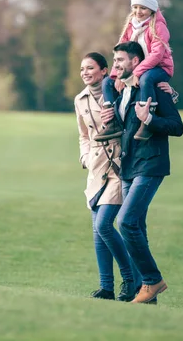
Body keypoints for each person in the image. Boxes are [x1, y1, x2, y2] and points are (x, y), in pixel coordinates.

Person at [74, 52, 174, 302]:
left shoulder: (118, 91)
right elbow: (83, 135)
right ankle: (107, 286)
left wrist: (170, 93)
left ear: (104, 71)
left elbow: (145, 96)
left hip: (120, 165)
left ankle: (132, 281)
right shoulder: (80, 99)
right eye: (82, 69)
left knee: (106, 224)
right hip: (96, 168)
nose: (85, 73)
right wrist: (84, 157)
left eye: (90, 68)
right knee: (98, 229)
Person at [100, 41, 183, 304]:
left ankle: (153, 280)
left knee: (125, 221)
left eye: (120, 61)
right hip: (129, 166)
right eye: (114, 61)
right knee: (137, 227)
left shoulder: (155, 89)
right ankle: (145, 294)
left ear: (136, 62)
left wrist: (149, 119)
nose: (115, 66)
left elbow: (177, 126)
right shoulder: (122, 92)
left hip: (150, 164)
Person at [95, 0, 177, 143]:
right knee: (107, 83)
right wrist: (116, 75)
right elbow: (120, 52)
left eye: (143, 8)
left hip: (159, 68)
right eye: (136, 7)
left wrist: (138, 72)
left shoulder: (158, 27)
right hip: (135, 67)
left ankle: (146, 120)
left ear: (152, 9)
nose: (138, 12)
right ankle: (112, 121)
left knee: (146, 79)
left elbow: (157, 54)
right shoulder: (130, 26)